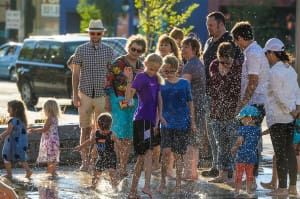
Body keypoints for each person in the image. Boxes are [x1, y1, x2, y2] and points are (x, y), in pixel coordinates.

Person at [202, 11, 244, 177]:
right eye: (207, 25)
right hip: (210, 94)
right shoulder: (209, 41)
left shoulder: (230, 42)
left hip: (228, 98)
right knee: (214, 134)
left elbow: (239, 66)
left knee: (229, 136)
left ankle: (230, 170)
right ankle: (216, 166)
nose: (208, 28)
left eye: (211, 25)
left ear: (220, 24)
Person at [231, 21, 269, 188]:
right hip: (256, 101)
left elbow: (253, 81)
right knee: (251, 140)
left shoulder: (252, 53)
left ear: (240, 38)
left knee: (249, 140)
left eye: (236, 40)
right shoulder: (255, 50)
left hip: (255, 103)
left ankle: (251, 178)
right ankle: (250, 177)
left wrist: (242, 103)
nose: (236, 44)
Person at [72, 19, 114, 171]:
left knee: (102, 130)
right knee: (85, 128)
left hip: (103, 94)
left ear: (102, 33)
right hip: (85, 93)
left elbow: (111, 75)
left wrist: (110, 96)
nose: (95, 35)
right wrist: (75, 95)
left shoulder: (109, 51)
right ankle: (84, 162)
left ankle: (94, 161)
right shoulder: (80, 49)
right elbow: (75, 74)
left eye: (98, 33)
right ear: (89, 33)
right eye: (92, 32)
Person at [104, 34, 147, 178]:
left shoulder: (141, 65)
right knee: (118, 135)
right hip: (118, 100)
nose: (135, 53)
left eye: (139, 51)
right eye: (133, 49)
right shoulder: (119, 62)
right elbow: (108, 82)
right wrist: (107, 100)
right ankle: (116, 165)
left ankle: (123, 166)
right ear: (128, 47)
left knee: (128, 136)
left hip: (133, 101)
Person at [125, 53, 165, 199]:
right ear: (146, 63)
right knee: (147, 153)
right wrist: (129, 80)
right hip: (141, 120)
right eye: (151, 68)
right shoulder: (141, 77)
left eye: (156, 69)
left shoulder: (156, 79)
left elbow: (158, 99)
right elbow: (128, 98)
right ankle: (146, 186)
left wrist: (158, 118)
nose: (153, 72)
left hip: (150, 122)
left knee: (142, 157)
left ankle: (132, 192)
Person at [262, 38, 299, 196]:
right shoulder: (289, 69)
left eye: (267, 53)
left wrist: (290, 109)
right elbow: (297, 90)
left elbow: (278, 95)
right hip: (290, 117)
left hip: (278, 117)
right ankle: (292, 187)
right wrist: (296, 108)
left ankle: (282, 188)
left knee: (280, 153)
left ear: (272, 53)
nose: (266, 56)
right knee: (289, 151)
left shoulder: (274, 71)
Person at [157, 55, 196, 193]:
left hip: (182, 123)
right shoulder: (161, 84)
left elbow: (190, 102)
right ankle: (162, 181)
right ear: (162, 70)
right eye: (166, 71)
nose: (168, 73)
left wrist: (193, 122)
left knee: (179, 154)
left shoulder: (184, 83)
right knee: (166, 152)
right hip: (166, 122)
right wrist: (158, 119)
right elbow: (158, 104)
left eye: (171, 70)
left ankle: (178, 184)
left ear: (176, 69)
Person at [207, 42, 242, 183]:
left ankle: (233, 175)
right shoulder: (214, 65)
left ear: (232, 58)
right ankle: (222, 173)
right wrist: (221, 66)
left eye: (227, 62)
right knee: (220, 144)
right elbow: (216, 87)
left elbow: (239, 90)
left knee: (233, 144)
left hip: (233, 111)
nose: (225, 65)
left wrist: (239, 109)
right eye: (222, 61)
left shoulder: (239, 66)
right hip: (216, 111)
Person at [153, 34, 181, 176]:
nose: (163, 47)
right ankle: (156, 164)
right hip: (155, 103)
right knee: (156, 135)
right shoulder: (155, 62)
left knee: (169, 137)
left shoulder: (177, 64)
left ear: (172, 47)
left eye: (166, 44)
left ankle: (169, 168)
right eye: (161, 44)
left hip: (171, 106)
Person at [181, 36, 206, 180]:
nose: (183, 49)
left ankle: (188, 172)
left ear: (194, 49)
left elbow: (184, 88)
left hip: (192, 107)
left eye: (186, 47)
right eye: (182, 46)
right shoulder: (198, 63)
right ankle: (193, 172)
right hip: (200, 105)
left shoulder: (190, 65)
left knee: (189, 140)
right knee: (194, 141)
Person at [74, 112, 119, 189]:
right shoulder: (96, 134)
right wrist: (81, 147)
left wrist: (121, 151)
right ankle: (93, 186)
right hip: (101, 157)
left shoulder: (112, 135)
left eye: (106, 130)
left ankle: (115, 188)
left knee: (112, 173)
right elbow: (90, 141)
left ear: (110, 127)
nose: (104, 132)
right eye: (102, 130)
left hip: (111, 157)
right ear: (98, 126)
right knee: (96, 174)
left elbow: (119, 144)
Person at [231, 105, 260, 196]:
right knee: (249, 174)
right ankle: (248, 190)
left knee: (239, 174)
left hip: (241, 154)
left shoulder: (243, 129)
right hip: (252, 155)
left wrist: (235, 147)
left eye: (242, 118)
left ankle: (237, 190)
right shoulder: (257, 129)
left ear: (249, 118)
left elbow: (240, 140)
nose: (241, 120)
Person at [28, 99, 61, 178]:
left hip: (50, 141)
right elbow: (47, 127)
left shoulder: (50, 118)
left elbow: (44, 129)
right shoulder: (55, 118)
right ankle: (54, 172)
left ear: (47, 109)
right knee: (53, 158)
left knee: (50, 158)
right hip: (55, 140)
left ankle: (50, 173)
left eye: (44, 109)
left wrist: (34, 130)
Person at [0, 100, 32, 180]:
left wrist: (1, 136)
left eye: (9, 108)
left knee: (6, 156)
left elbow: (8, 131)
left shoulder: (12, 120)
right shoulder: (23, 120)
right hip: (21, 144)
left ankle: (9, 174)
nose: (7, 110)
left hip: (11, 143)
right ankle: (28, 171)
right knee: (22, 158)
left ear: (15, 110)